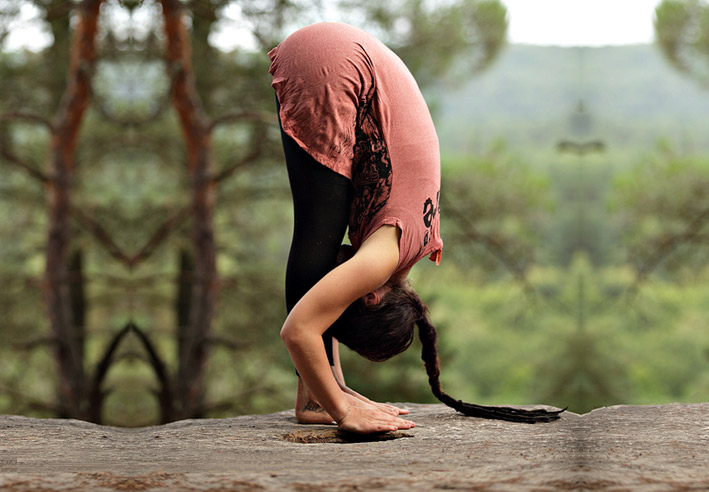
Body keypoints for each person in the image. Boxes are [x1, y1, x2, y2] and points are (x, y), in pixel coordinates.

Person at [269, 22, 562, 434]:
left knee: (322, 237)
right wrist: (343, 410)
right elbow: (300, 330)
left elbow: (317, 315)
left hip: (346, 56)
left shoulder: (414, 246)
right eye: (342, 297)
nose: (338, 287)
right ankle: (318, 397)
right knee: (316, 238)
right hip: (337, 64)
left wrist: (333, 387)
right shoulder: (380, 259)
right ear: (370, 297)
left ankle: (320, 393)